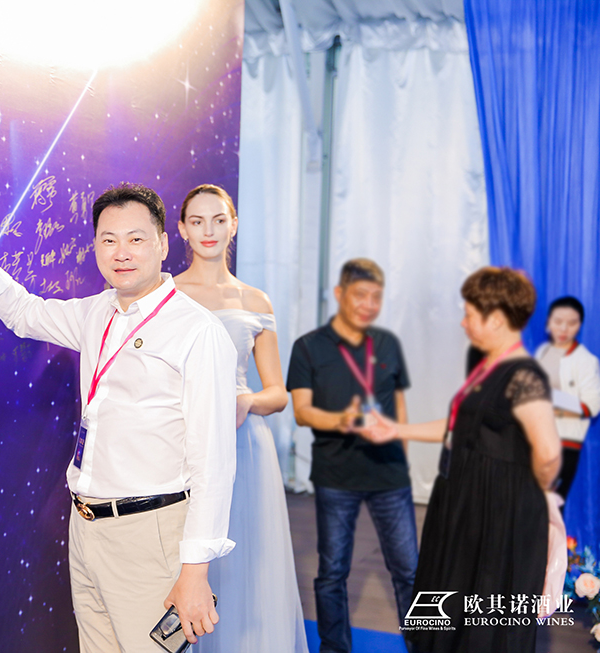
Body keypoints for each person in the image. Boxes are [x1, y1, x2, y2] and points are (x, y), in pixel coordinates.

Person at [0, 182, 238, 652]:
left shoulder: (197, 331)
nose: (122, 252)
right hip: (86, 526)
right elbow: (26, 313)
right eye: (109, 239)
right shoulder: (97, 311)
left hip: (150, 532)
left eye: (136, 239)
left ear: (163, 244)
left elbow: (214, 464)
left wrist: (195, 571)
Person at [361, 267, 562, 653]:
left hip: (496, 516)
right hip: (466, 507)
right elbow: (461, 428)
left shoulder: (523, 376)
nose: (463, 322)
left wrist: (527, 498)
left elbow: (549, 451)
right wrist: (396, 430)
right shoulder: (490, 366)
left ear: (497, 319)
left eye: (470, 314)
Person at [172, 184, 307, 652]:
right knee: (185, 553)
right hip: (181, 442)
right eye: (197, 221)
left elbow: (279, 392)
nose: (208, 230)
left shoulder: (255, 300)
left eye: (218, 220)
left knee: (245, 559)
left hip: (245, 444)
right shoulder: (167, 294)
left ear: (234, 224)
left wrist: (246, 402)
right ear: (182, 229)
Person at [285, 258, 417, 653]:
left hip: (390, 475)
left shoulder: (387, 343)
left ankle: (423, 644)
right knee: (332, 572)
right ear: (340, 294)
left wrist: (403, 455)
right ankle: (334, 648)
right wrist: (342, 420)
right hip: (336, 475)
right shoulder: (308, 347)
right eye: (361, 295)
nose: (369, 305)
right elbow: (302, 411)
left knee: (410, 571)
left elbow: (399, 407)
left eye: (376, 297)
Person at [534, 296, 600, 497]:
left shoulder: (586, 360)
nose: (564, 329)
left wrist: (551, 400)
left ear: (580, 325)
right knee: (528, 505)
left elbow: (591, 407)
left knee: (552, 504)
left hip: (564, 444)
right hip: (534, 440)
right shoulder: (542, 351)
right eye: (558, 321)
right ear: (548, 322)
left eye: (572, 323)